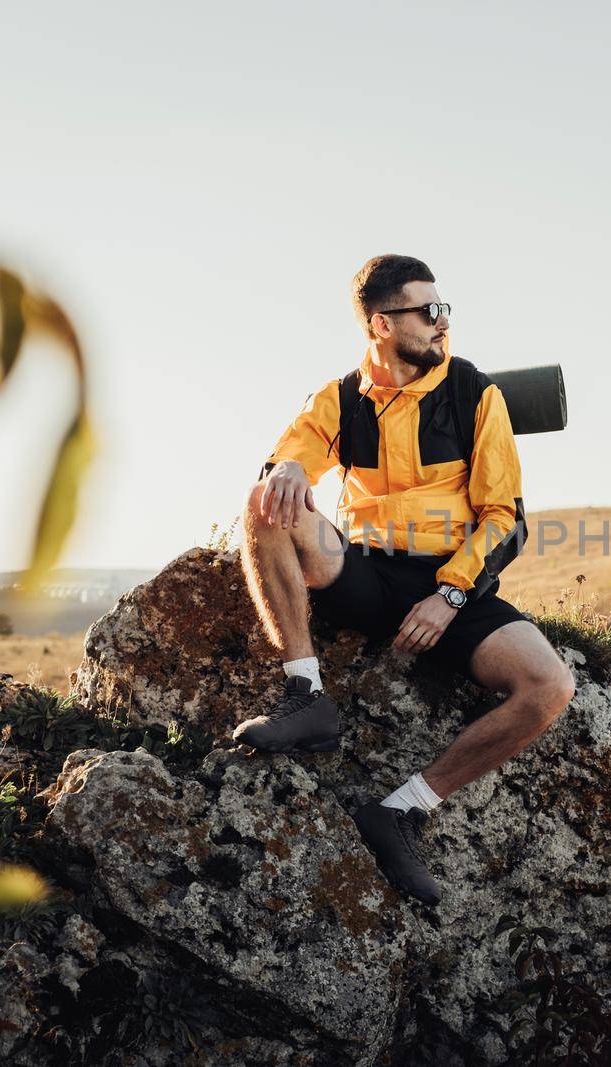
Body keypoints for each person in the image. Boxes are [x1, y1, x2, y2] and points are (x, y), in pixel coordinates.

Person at [232, 254, 575, 907]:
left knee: (551, 685)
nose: (444, 323)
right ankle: (306, 695)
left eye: (445, 309)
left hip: (450, 581)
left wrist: (450, 594)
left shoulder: (477, 394)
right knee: (262, 501)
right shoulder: (340, 397)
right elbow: (294, 452)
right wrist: (285, 469)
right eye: (428, 311)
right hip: (362, 571)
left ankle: (402, 809)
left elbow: (506, 518)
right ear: (382, 324)